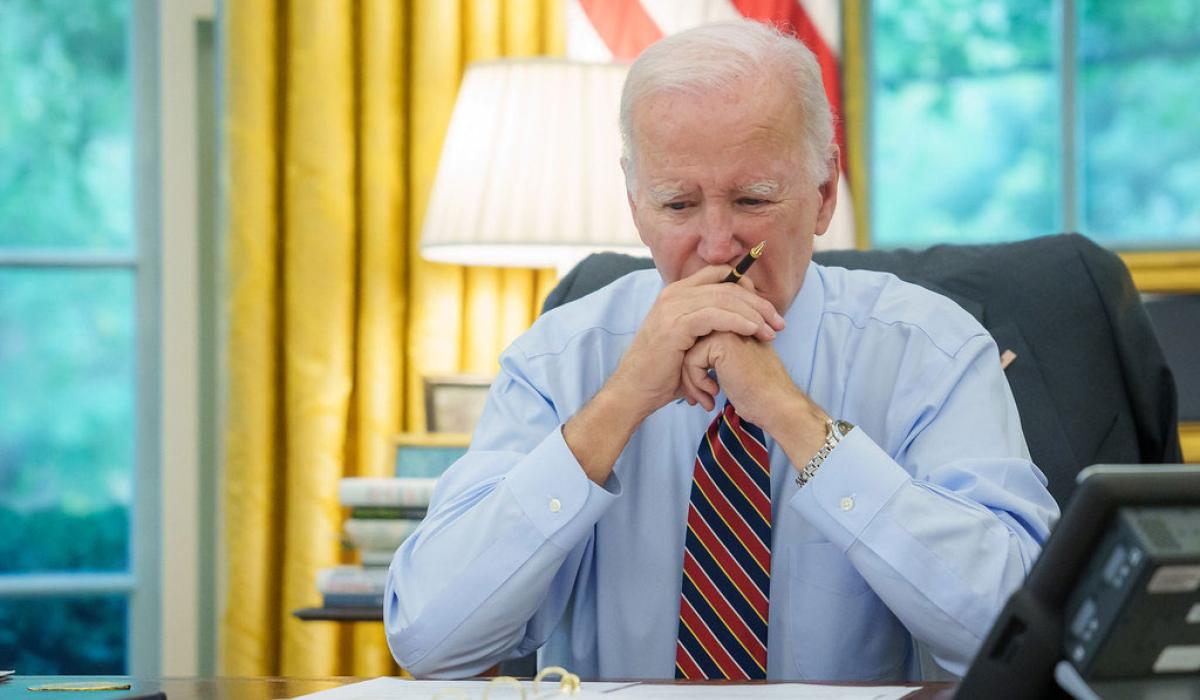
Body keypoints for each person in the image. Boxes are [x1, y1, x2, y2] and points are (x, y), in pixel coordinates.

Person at [385, 19, 1059, 681]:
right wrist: (616, 407)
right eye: (678, 205)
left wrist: (796, 421)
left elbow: (1019, 636)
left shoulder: (931, 352)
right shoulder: (558, 360)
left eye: (752, 199)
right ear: (633, 202)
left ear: (823, 195)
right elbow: (430, 639)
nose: (716, 246)